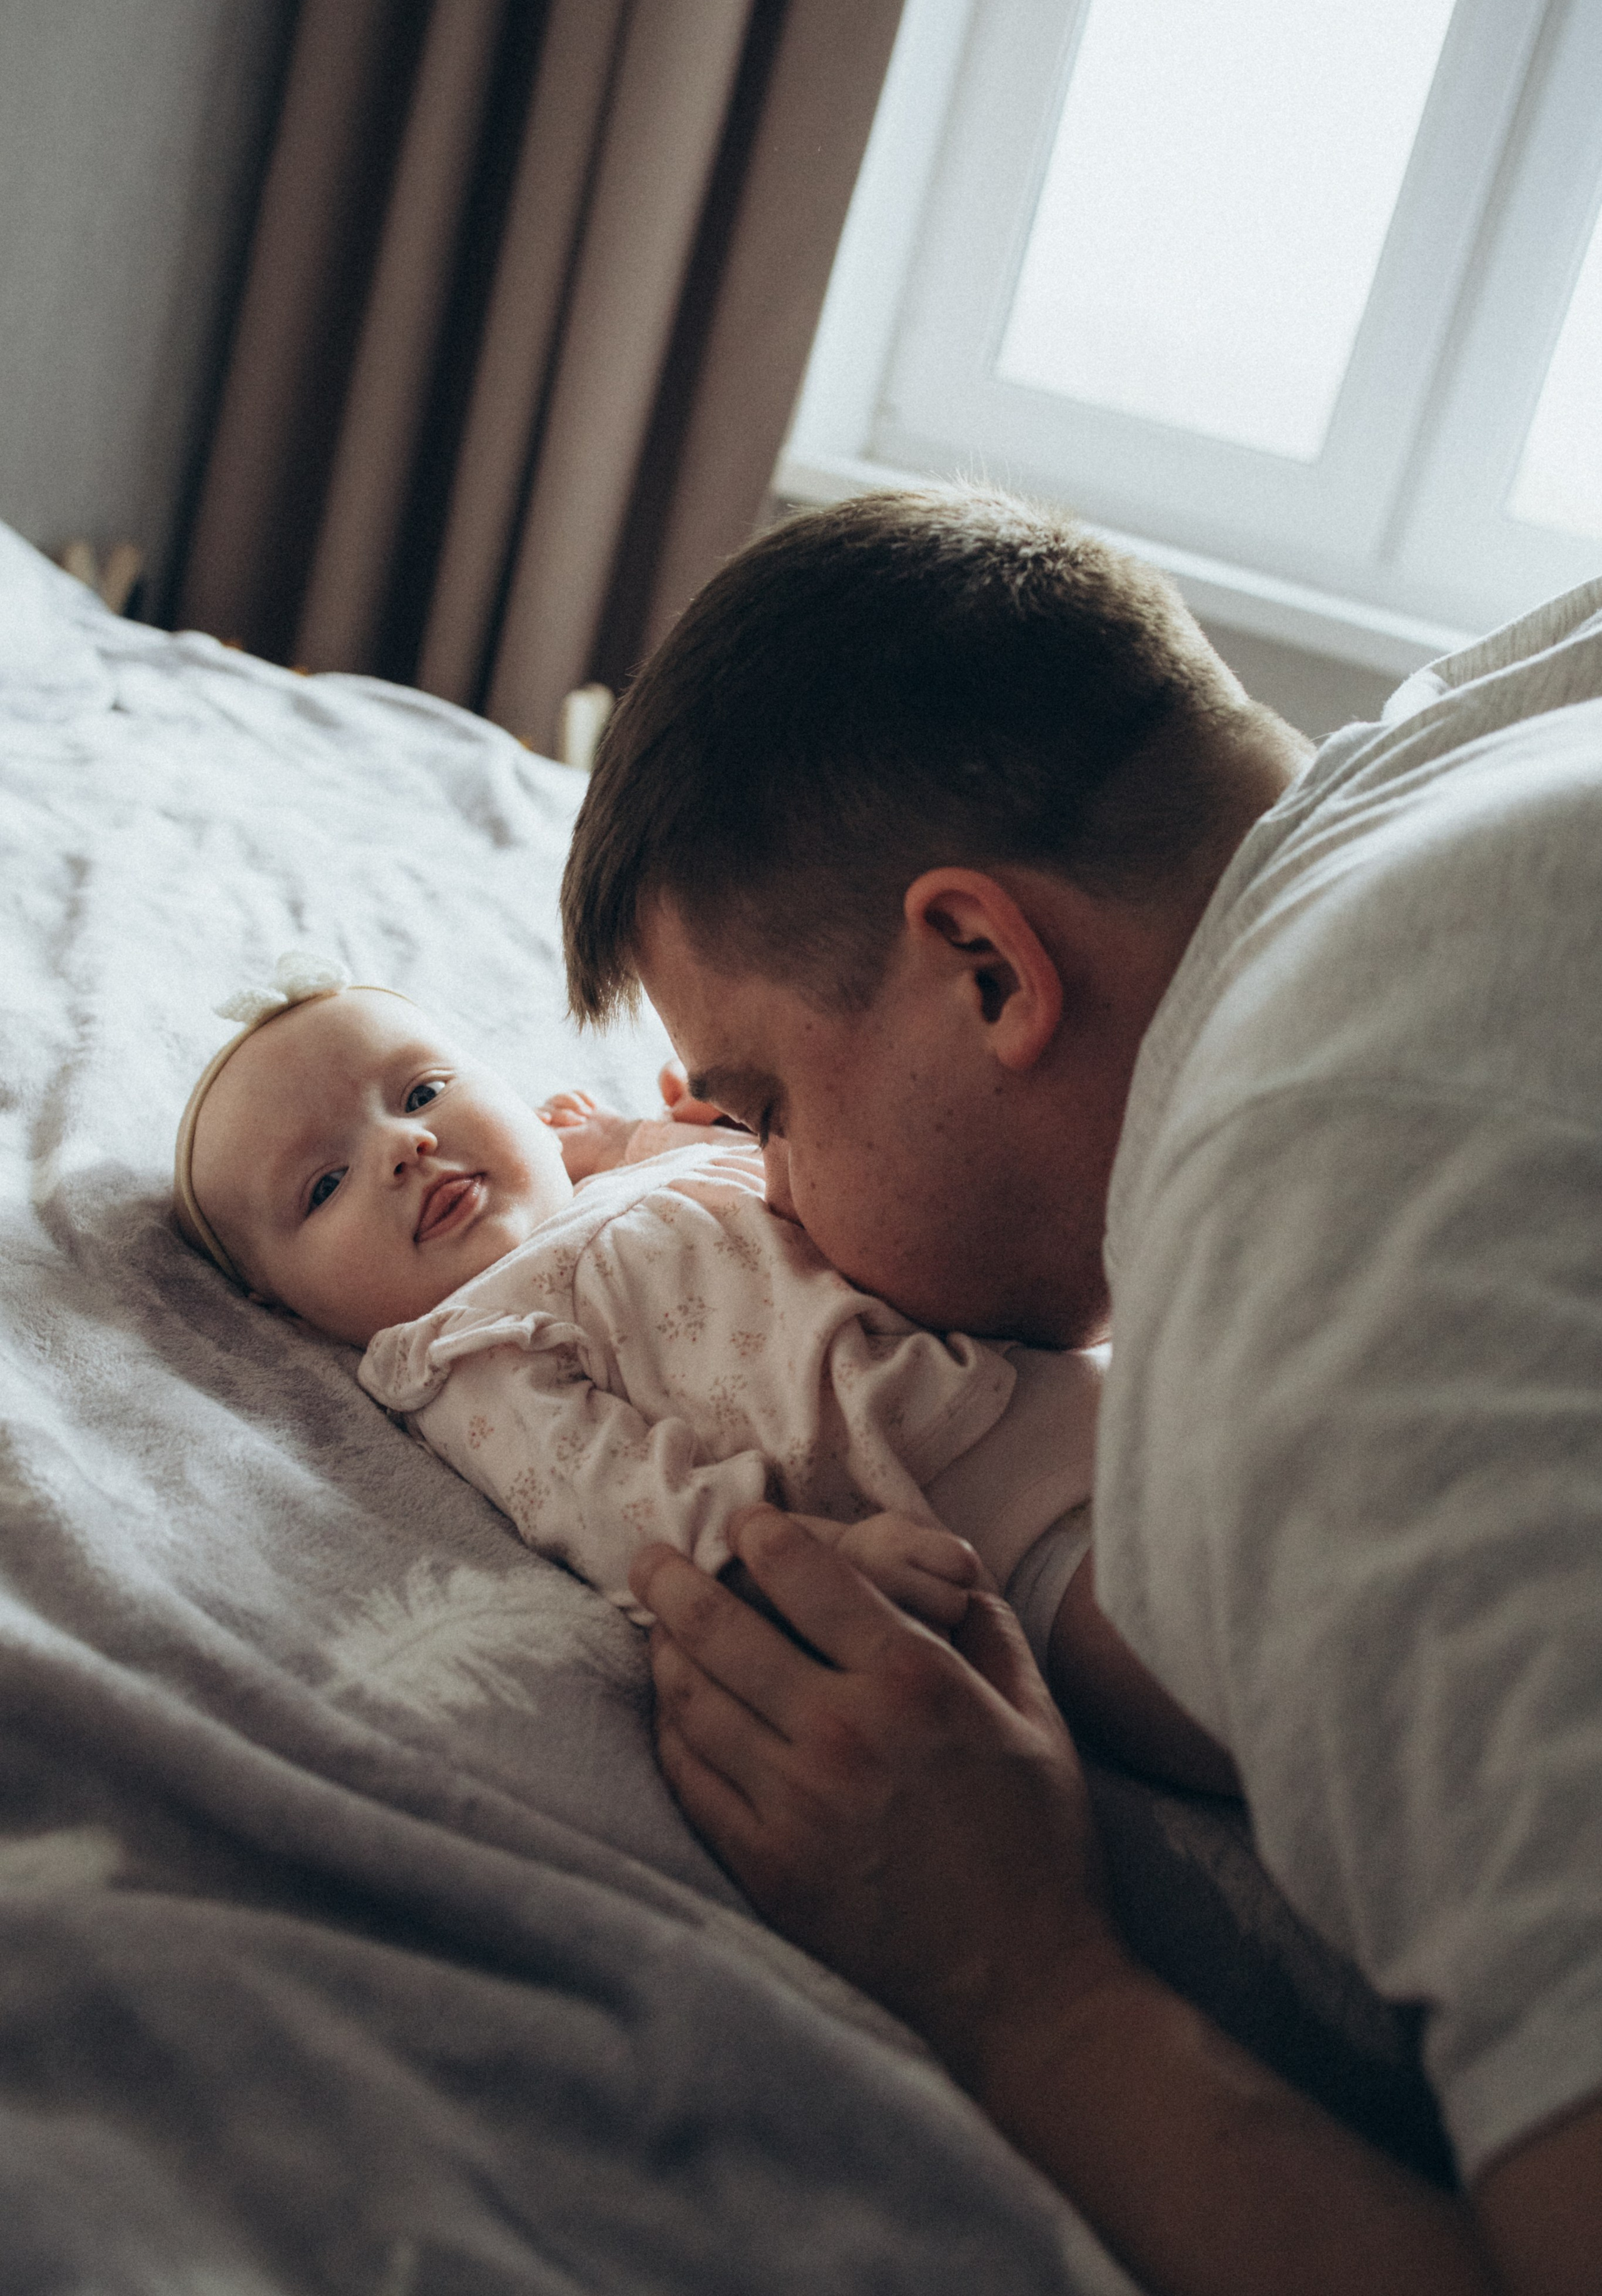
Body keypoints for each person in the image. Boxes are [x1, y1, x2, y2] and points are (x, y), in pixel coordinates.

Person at [559, 485, 1602, 2295]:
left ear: (987, 966)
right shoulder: (1497, 723)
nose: (765, 1195)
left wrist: (1025, 1990)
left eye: (757, 1111)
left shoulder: (1332, 1217)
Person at [171, 956, 1229, 1787]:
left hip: (1114, 1363)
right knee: (1250, 1681)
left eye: (422, 1089)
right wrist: (804, 1558)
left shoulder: (635, 1165)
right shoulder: (467, 1346)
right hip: (1009, 1532)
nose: (402, 1145)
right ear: (292, 1307)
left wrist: (637, 1135)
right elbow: (607, 1497)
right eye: (322, 1185)